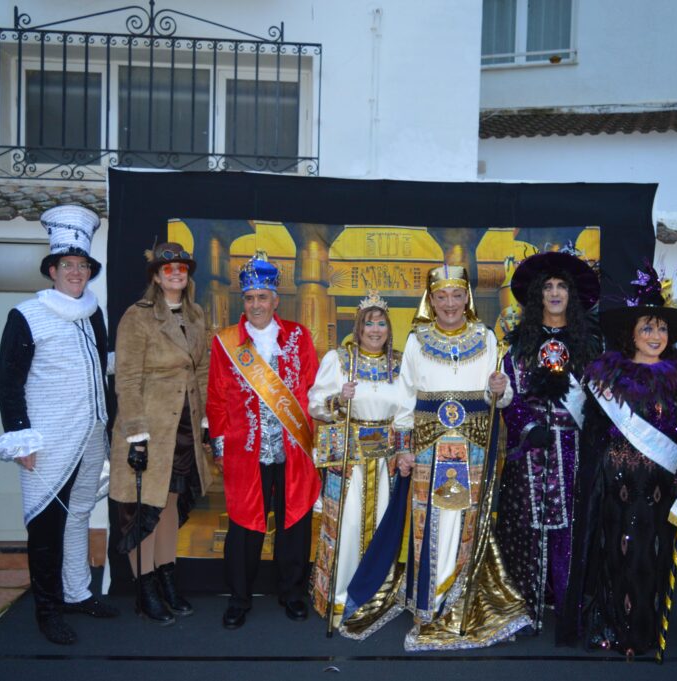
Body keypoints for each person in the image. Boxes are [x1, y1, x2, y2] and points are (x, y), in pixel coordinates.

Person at [344, 264, 530, 650]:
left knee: (466, 519)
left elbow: (500, 395)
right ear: (432, 299)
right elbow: (405, 399)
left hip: (473, 443)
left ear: (467, 298)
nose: (449, 303)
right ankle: (429, 602)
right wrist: (404, 448)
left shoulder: (485, 337)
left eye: (456, 295)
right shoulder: (416, 339)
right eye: (441, 296)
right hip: (428, 443)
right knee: (430, 521)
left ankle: (460, 598)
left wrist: (501, 388)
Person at [0, 204, 119, 645]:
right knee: (45, 528)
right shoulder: (27, 314)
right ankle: (47, 610)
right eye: (68, 264)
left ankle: (77, 591)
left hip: (90, 436)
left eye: (82, 265)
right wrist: (20, 437)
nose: (76, 272)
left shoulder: (94, 312)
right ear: (52, 269)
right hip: (47, 440)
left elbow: (101, 366)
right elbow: (8, 380)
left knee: (80, 514)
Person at [575, 265, 677, 658]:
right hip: (618, 478)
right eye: (647, 329)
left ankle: (645, 629)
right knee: (616, 551)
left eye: (662, 329)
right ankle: (613, 626)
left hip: (660, 484)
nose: (656, 337)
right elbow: (594, 432)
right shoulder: (607, 377)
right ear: (631, 334)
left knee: (654, 554)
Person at [207, 252, 321, 630]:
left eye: (262, 297)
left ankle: (292, 593)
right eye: (250, 298)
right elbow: (217, 398)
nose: (256, 304)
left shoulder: (299, 336)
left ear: (275, 300)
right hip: (246, 450)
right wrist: (222, 447)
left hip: (292, 449)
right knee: (244, 526)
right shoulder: (226, 343)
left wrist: (313, 439)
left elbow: (311, 389)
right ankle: (239, 598)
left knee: (295, 523)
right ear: (245, 301)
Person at [495, 250, 602, 642]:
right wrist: (525, 428)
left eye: (561, 286)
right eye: (548, 286)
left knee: (570, 528)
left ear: (570, 296)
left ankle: (567, 602)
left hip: (573, 451)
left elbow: (598, 402)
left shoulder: (590, 345)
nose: (554, 293)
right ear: (537, 295)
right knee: (524, 526)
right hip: (531, 452)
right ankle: (525, 603)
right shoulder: (520, 347)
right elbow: (511, 397)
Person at [109, 243, 212, 625]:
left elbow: (202, 369)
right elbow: (129, 377)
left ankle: (167, 579)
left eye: (181, 268)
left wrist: (204, 421)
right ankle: (145, 589)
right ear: (155, 276)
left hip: (183, 429)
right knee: (143, 510)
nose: (175, 273)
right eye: (167, 269)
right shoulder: (137, 318)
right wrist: (136, 434)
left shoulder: (197, 315)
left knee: (168, 505)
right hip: (149, 430)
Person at [306, 291, 413, 630]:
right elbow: (316, 404)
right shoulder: (340, 360)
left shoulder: (399, 363)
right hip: (349, 461)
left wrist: (403, 449)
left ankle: (376, 598)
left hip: (386, 464)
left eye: (381, 323)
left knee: (383, 527)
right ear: (358, 326)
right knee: (348, 528)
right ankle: (339, 598)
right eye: (369, 323)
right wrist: (339, 399)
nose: (376, 329)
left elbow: (408, 412)